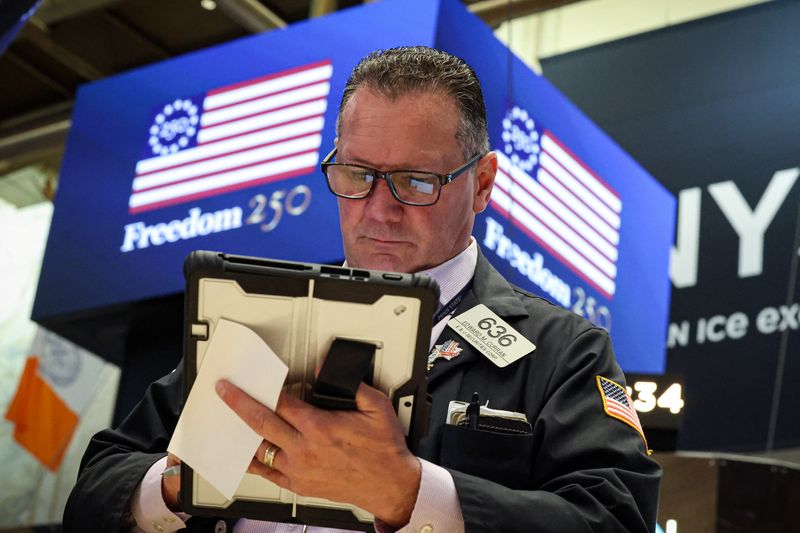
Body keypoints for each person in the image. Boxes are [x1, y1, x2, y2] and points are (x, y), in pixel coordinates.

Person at [64, 46, 660, 532]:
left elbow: (616, 520)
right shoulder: (258, 317)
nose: (379, 210)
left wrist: (412, 495)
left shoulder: (562, 351)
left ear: (481, 185)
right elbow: (94, 487)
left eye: (414, 181)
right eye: (356, 174)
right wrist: (178, 484)